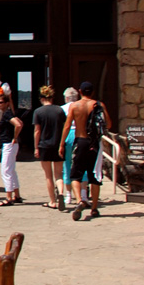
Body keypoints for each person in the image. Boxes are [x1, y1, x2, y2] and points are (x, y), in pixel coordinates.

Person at [60, 81, 112, 221]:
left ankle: (79, 201)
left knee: (75, 174)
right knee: (94, 175)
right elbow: (109, 124)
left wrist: (61, 144)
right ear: (93, 92)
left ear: (80, 91)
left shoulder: (75, 106)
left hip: (80, 140)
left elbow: (66, 126)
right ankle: (94, 208)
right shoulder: (99, 105)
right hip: (94, 143)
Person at [32, 85, 66, 210]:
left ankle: (53, 201)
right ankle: (61, 193)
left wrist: (36, 147)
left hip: (44, 145)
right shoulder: (59, 110)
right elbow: (63, 127)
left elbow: (37, 131)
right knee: (59, 174)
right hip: (58, 145)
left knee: (48, 175)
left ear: (41, 98)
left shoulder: (38, 112)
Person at [0, 92, 23, 205]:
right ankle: (16, 195)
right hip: (10, 144)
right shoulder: (8, 113)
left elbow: (18, 124)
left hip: (8, 143)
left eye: (1, 102)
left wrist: (14, 137)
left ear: (7, 103)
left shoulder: (7, 114)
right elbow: (20, 122)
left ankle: (9, 197)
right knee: (11, 170)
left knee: (6, 170)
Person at [61, 87, 80, 204]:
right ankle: (83, 192)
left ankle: (68, 194)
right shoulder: (81, 107)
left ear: (67, 98)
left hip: (67, 135)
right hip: (79, 134)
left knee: (66, 164)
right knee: (80, 163)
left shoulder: (62, 109)